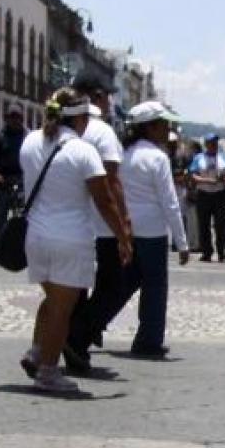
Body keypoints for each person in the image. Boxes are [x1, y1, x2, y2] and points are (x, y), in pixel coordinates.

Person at [18, 88, 132, 395]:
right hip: (70, 238)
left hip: (36, 236)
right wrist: (123, 236)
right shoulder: (83, 151)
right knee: (62, 310)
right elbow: (105, 199)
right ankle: (48, 371)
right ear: (80, 118)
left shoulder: (30, 141)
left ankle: (37, 351)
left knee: (53, 299)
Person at [81, 100, 189, 360]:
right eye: (164, 124)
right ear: (150, 128)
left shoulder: (123, 155)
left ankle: (89, 326)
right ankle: (148, 340)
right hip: (152, 231)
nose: (168, 129)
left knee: (123, 284)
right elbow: (170, 202)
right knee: (154, 287)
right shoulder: (158, 158)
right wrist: (182, 241)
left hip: (125, 228)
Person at [63, 72, 131, 376]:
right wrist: (124, 223)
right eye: (106, 95)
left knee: (76, 290)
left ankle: (70, 342)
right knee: (114, 286)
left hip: (73, 221)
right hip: (102, 226)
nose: (110, 101)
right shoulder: (101, 132)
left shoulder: (60, 131)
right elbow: (112, 181)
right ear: (94, 97)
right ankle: (77, 337)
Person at [0, 103, 27, 249]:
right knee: (0, 216)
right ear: (6, 118)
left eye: (18, 117)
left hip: (21, 180)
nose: (15, 120)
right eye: (12, 117)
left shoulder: (27, 136)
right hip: (2, 181)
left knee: (21, 218)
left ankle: (19, 248)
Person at [188, 132, 225, 261]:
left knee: (220, 225)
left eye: (215, 143)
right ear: (206, 144)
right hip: (204, 195)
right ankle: (207, 252)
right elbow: (193, 175)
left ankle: (221, 252)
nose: (214, 145)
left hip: (220, 195)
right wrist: (206, 180)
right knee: (204, 225)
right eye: (211, 143)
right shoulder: (198, 158)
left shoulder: (224, 157)